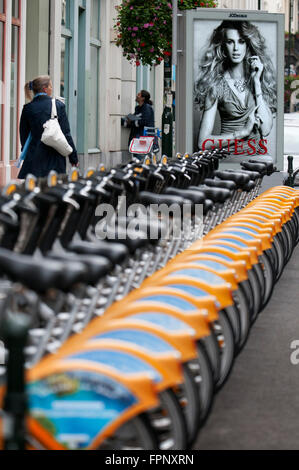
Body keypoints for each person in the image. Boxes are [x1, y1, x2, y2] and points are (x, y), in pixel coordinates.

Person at [194, 21, 276, 156]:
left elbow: (265, 129)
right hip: (229, 160)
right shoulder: (216, 85)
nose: (236, 48)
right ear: (223, 45)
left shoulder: (257, 79)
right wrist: (243, 132)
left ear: (248, 45)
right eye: (230, 42)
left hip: (255, 163)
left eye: (241, 41)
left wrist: (256, 83)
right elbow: (202, 143)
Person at [18, 75, 78, 179]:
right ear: (45, 89)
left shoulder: (28, 108)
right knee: (53, 191)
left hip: (34, 158)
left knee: (35, 191)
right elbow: (66, 133)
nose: (51, 89)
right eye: (50, 86)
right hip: (55, 157)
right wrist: (73, 158)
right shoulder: (58, 106)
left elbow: (24, 135)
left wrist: (27, 152)